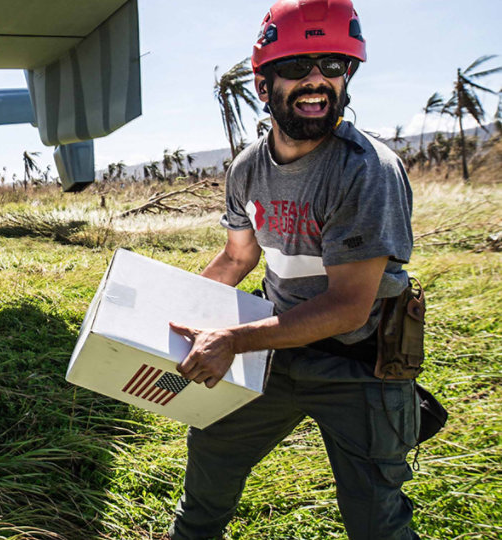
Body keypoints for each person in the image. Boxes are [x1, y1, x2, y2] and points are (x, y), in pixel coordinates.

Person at [168, 1, 418, 538]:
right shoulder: (247, 169)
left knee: (375, 519)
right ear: (264, 84)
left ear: (347, 76)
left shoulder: (367, 170)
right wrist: (166, 314)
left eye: (333, 65)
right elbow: (239, 257)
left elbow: (349, 307)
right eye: (296, 67)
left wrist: (230, 339)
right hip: (273, 354)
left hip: (360, 364)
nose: (316, 81)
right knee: (208, 467)